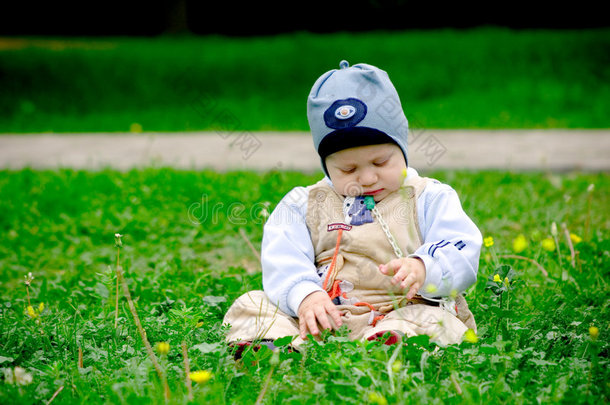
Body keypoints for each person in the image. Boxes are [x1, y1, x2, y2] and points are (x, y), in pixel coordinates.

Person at [223, 61, 482, 352]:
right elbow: (283, 256)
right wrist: (305, 295)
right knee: (253, 304)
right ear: (326, 166)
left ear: (402, 148)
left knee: (432, 320)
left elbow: (462, 248)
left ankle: (391, 345)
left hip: (402, 310)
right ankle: (278, 347)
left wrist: (424, 267)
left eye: (381, 162)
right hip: (327, 317)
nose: (368, 178)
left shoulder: (429, 197)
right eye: (347, 169)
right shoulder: (303, 204)